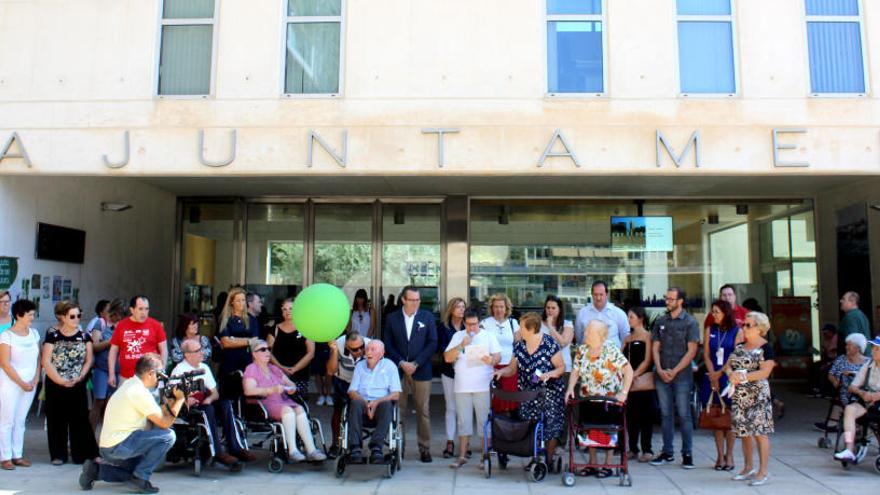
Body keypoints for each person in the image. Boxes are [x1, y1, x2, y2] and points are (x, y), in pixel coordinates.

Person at [79, 354, 184, 494]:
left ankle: (96, 471)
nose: (160, 379)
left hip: (110, 446)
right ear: (150, 374)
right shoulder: (139, 392)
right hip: (120, 445)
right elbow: (164, 423)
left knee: (133, 471)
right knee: (169, 436)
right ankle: (141, 478)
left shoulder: (131, 384)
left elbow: (160, 413)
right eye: (159, 375)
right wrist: (180, 399)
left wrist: (171, 399)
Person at [496, 312, 565, 468]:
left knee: (550, 427)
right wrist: (502, 372)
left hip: (549, 393)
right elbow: (512, 369)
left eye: (521, 327)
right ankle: (534, 457)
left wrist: (548, 374)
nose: (519, 331)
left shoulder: (549, 344)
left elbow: (561, 367)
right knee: (529, 425)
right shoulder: (519, 345)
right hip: (527, 393)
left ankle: (548, 459)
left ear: (532, 328)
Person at [566, 319, 633, 476]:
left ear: (601, 335)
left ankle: (608, 465)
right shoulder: (582, 350)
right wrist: (570, 388)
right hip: (587, 398)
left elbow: (628, 371)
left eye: (589, 331)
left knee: (608, 431)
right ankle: (592, 463)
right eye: (587, 330)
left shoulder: (610, 350)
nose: (585, 333)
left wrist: (623, 393)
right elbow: (575, 371)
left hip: (609, 399)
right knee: (589, 430)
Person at [243, 340, 325, 462]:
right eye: (263, 349)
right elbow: (248, 391)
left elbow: (290, 383)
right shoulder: (252, 369)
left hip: (282, 401)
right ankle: (293, 450)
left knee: (299, 408)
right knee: (288, 410)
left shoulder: (273, 368)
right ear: (254, 354)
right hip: (264, 404)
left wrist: (292, 388)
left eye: (268, 349)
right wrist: (271, 390)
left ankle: (311, 450)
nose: (267, 352)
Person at [383, 285, 437, 462]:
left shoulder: (427, 317)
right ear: (403, 300)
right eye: (412, 300)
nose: (416, 303)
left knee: (423, 411)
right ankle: (399, 446)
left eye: (418, 300)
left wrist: (416, 363)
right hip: (398, 372)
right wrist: (401, 362)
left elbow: (432, 343)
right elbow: (388, 343)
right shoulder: (392, 318)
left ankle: (425, 448)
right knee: (399, 411)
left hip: (421, 371)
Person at [170, 339, 243, 471]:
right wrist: (186, 400)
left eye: (201, 349)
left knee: (225, 404)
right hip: (190, 410)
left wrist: (209, 398)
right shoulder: (179, 370)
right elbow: (174, 396)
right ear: (187, 354)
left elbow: (215, 393)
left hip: (205, 402)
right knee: (207, 410)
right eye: (198, 351)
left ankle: (235, 448)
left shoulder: (205, 367)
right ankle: (217, 452)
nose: (202, 353)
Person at [42, 302, 99, 465]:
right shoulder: (53, 335)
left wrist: (81, 376)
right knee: (56, 419)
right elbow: (46, 360)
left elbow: (89, 359)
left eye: (78, 316)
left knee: (80, 419)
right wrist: (60, 380)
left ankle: (80, 454)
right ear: (64, 317)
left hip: (77, 383)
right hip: (56, 383)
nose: (76, 319)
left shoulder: (84, 336)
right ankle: (58, 455)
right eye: (72, 316)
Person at [650, 287, 700, 469]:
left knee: (684, 414)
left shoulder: (690, 322)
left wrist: (675, 370)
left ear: (680, 301)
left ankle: (687, 453)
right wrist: (660, 368)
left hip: (682, 376)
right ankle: (667, 451)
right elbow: (655, 347)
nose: (667, 302)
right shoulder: (661, 321)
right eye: (666, 298)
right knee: (665, 414)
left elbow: (692, 350)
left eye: (671, 299)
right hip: (662, 373)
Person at [724, 312, 776, 486]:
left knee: (760, 433)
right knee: (744, 433)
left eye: (748, 325)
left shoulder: (765, 348)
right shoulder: (740, 346)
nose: (744, 328)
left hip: (758, 394)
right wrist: (731, 374)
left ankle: (763, 471)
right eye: (744, 324)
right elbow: (728, 366)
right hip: (740, 395)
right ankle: (748, 467)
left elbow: (765, 372)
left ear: (759, 328)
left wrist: (743, 376)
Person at [445, 309, 501, 468]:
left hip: (482, 384)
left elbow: (498, 356)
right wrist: (461, 345)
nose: (472, 328)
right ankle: (462, 456)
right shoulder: (458, 336)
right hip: (462, 385)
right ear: (464, 323)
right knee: (463, 421)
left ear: (479, 323)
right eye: (469, 325)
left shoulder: (488, 335)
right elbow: (448, 358)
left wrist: (491, 359)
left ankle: (485, 457)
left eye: (475, 324)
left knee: (484, 421)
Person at [701, 300, 743, 471]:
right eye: (713, 312)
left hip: (728, 376)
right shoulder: (709, 330)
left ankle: (730, 454)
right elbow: (706, 354)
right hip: (712, 375)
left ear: (726, 313)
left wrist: (720, 373)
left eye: (717, 312)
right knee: (716, 416)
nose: (714, 315)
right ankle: (719, 455)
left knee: (730, 417)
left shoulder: (737, 331)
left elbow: (735, 355)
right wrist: (713, 374)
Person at [0, 299, 41, 470]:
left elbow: (38, 359)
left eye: (33, 314)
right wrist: (21, 383)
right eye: (30, 314)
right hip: (10, 383)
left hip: (30, 384)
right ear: (19, 315)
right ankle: (5, 457)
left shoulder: (34, 333)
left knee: (20, 419)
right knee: (7, 420)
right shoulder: (6, 336)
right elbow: (5, 363)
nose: (32, 317)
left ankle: (18, 454)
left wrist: (36, 379)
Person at [347, 340, 401, 464]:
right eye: (367, 349)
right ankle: (355, 448)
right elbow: (352, 391)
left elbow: (396, 394)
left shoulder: (389, 366)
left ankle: (376, 447)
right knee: (354, 403)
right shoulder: (360, 366)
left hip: (381, 406)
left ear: (382, 353)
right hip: (362, 404)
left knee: (387, 405)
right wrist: (366, 402)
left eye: (373, 350)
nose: (368, 352)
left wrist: (376, 402)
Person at [833, 336, 880, 463]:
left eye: (877, 349)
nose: (873, 352)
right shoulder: (868, 365)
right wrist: (862, 392)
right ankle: (849, 449)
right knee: (849, 409)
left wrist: (877, 395)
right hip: (867, 402)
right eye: (873, 348)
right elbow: (853, 386)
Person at [107, 296, 168, 388]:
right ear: (132, 310)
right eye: (140, 309)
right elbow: (113, 351)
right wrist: (111, 374)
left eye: (146, 309)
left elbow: (164, 349)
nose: (144, 313)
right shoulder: (121, 325)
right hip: (126, 378)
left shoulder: (156, 325)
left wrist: (162, 370)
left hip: (150, 379)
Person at [326, 330, 370, 458]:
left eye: (361, 347)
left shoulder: (370, 345)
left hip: (363, 383)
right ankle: (335, 444)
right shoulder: (339, 344)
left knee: (355, 411)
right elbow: (330, 370)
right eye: (355, 349)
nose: (360, 351)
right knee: (338, 411)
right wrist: (334, 351)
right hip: (343, 379)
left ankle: (355, 444)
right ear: (347, 347)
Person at [622, 306, 655, 462]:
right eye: (628, 317)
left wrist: (634, 374)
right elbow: (621, 359)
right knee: (631, 416)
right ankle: (633, 448)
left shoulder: (648, 336)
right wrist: (627, 376)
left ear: (641, 318)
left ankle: (647, 449)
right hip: (630, 383)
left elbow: (648, 359)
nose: (629, 320)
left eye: (632, 317)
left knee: (646, 417)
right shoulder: (627, 338)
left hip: (643, 381)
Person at [437, 296, 466, 458]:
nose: (461, 310)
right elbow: (442, 348)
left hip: (465, 372)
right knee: (451, 407)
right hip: (448, 371)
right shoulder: (443, 327)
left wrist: (458, 352)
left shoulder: (467, 327)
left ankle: (464, 442)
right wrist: (454, 353)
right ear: (451, 309)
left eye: (463, 307)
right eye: (458, 307)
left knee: (464, 408)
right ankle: (450, 441)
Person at [217, 287, 259, 397]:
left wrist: (234, 339)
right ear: (231, 302)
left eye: (243, 300)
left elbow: (255, 342)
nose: (242, 303)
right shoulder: (226, 319)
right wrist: (248, 341)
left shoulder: (251, 319)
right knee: (228, 396)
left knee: (246, 395)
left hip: (247, 362)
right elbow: (225, 342)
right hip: (229, 362)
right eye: (238, 300)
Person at [90, 298, 124, 430]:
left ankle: (107, 437)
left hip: (119, 370)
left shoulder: (124, 325)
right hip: (102, 369)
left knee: (112, 404)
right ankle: (89, 437)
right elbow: (95, 346)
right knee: (99, 401)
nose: (118, 318)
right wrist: (112, 340)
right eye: (117, 314)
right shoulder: (101, 323)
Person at [481, 293, 519, 412]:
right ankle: (496, 427)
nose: (498, 309)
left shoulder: (513, 323)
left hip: (511, 367)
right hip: (491, 366)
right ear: (491, 308)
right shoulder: (485, 324)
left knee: (510, 400)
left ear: (506, 308)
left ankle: (510, 428)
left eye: (501, 306)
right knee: (495, 400)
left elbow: (519, 345)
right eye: (496, 306)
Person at [268, 298, 314, 394]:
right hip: (278, 375)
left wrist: (294, 369)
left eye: (291, 308)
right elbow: (267, 352)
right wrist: (280, 367)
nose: (287, 311)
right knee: (279, 406)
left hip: (300, 375)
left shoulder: (307, 328)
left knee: (299, 405)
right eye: (285, 309)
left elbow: (311, 353)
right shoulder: (274, 329)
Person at [575, 281, 630, 348]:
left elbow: (625, 337)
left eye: (601, 294)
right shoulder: (582, 313)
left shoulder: (619, 313)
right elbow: (579, 338)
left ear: (607, 294)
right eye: (595, 294)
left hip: (612, 356)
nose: (598, 298)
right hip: (589, 356)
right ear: (591, 294)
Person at [828, 334, 868, 407]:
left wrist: (853, 373)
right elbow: (831, 374)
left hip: (862, 393)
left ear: (858, 348)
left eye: (849, 345)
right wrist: (834, 381)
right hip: (845, 393)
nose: (846, 347)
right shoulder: (841, 359)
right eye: (847, 345)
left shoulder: (868, 362)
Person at [541, 295, 574, 374]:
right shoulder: (539, 324)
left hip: (564, 368)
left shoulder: (567, 325)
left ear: (559, 309)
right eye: (548, 308)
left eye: (553, 308)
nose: (550, 310)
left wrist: (550, 327)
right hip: (543, 368)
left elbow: (562, 343)